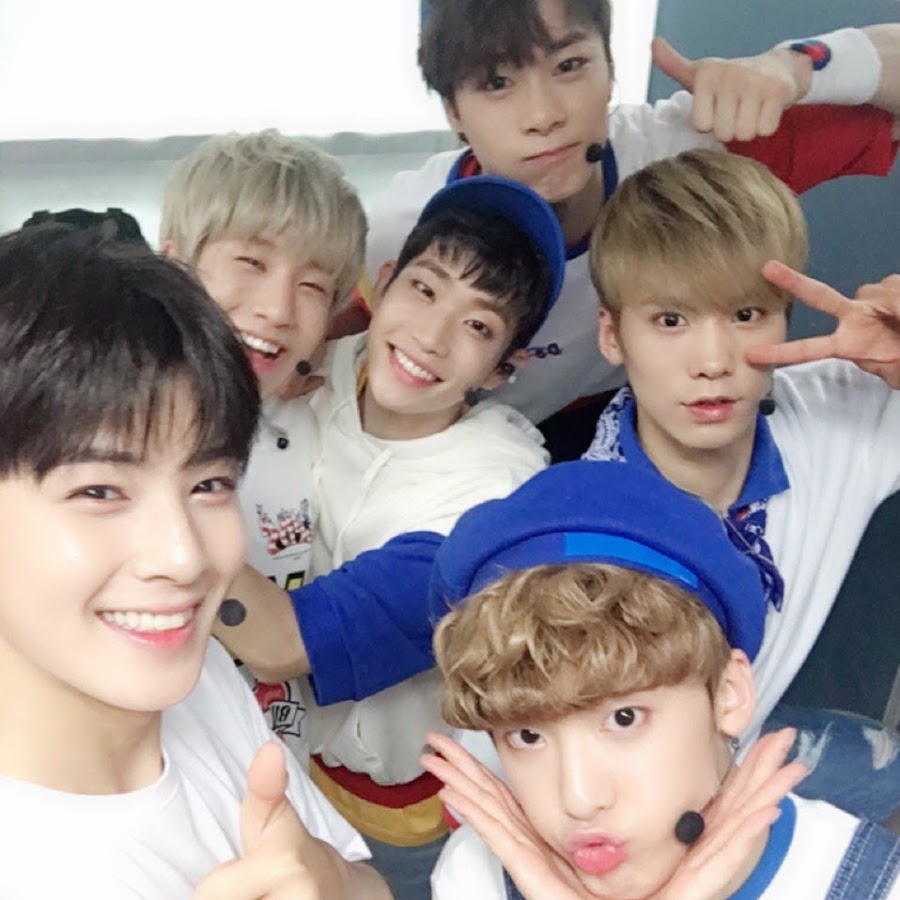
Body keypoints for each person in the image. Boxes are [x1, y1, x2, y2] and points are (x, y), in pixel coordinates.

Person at [0, 226, 388, 898]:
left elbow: (355, 883)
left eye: (209, 484)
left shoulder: (192, 671)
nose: (184, 559)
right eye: (100, 492)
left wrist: (332, 880)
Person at [230, 175, 562, 899]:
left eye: (478, 327)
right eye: (425, 288)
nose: (429, 337)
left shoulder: (493, 498)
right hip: (279, 754)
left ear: (504, 369)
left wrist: (155, 488)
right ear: (381, 285)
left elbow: (285, 642)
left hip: (404, 807)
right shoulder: (316, 367)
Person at [367, 0, 900, 449]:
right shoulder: (399, 237)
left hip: (636, 428)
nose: (544, 115)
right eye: (497, 82)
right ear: (453, 112)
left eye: (569, 65)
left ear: (610, 67)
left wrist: (796, 69)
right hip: (460, 448)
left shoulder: (693, 156)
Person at [580, 148, 899, 822]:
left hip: (749, 744)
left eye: (747, 314)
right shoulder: (576, 541)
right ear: (612, 334)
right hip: (625, 804)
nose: (713, 362)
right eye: (671, 321)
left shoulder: (834, 412)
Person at [421, 461, 900, 899]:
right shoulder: (475, 878)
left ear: (728, 695)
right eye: (527, 735)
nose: (579, 799)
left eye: (624, 718)